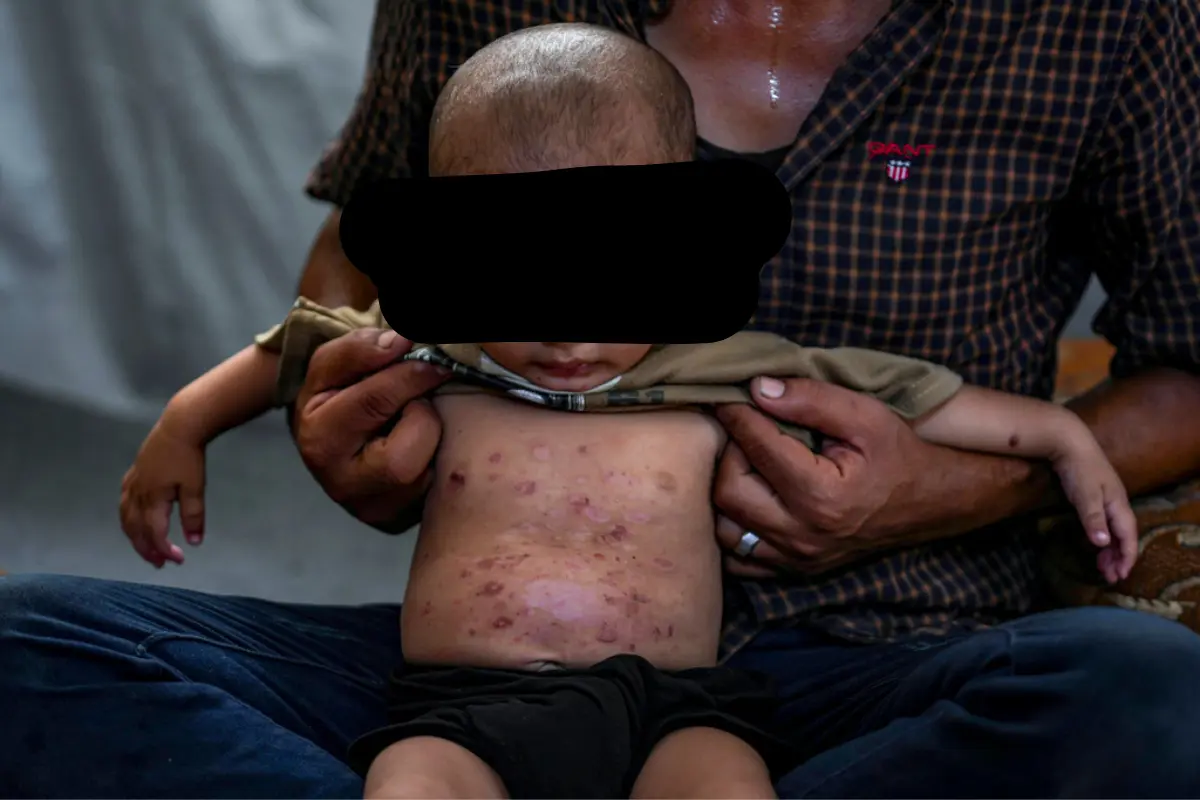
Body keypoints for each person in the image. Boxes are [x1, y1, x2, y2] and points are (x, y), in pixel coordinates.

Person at [2, 1, 1199, 798]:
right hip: (463, 673)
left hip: (843, 666)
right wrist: (275, 419)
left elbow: (963, 397)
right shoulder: (457, 335)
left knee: (1135, 688)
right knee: (28, 643)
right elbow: (334, 296)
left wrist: (1016, 464)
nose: (568, 325)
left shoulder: (721, 351)